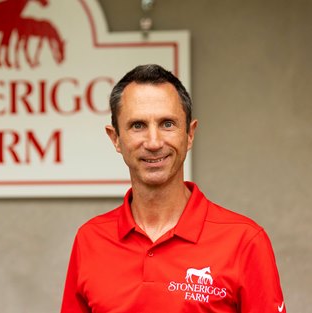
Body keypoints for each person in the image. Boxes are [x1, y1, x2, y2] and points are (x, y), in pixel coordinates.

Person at [60, 64, 286, 313]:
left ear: (189, 134)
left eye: (167, 124)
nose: (154, 142)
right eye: (138, 125)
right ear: (115, 139)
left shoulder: (245, 241)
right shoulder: (90, 240)